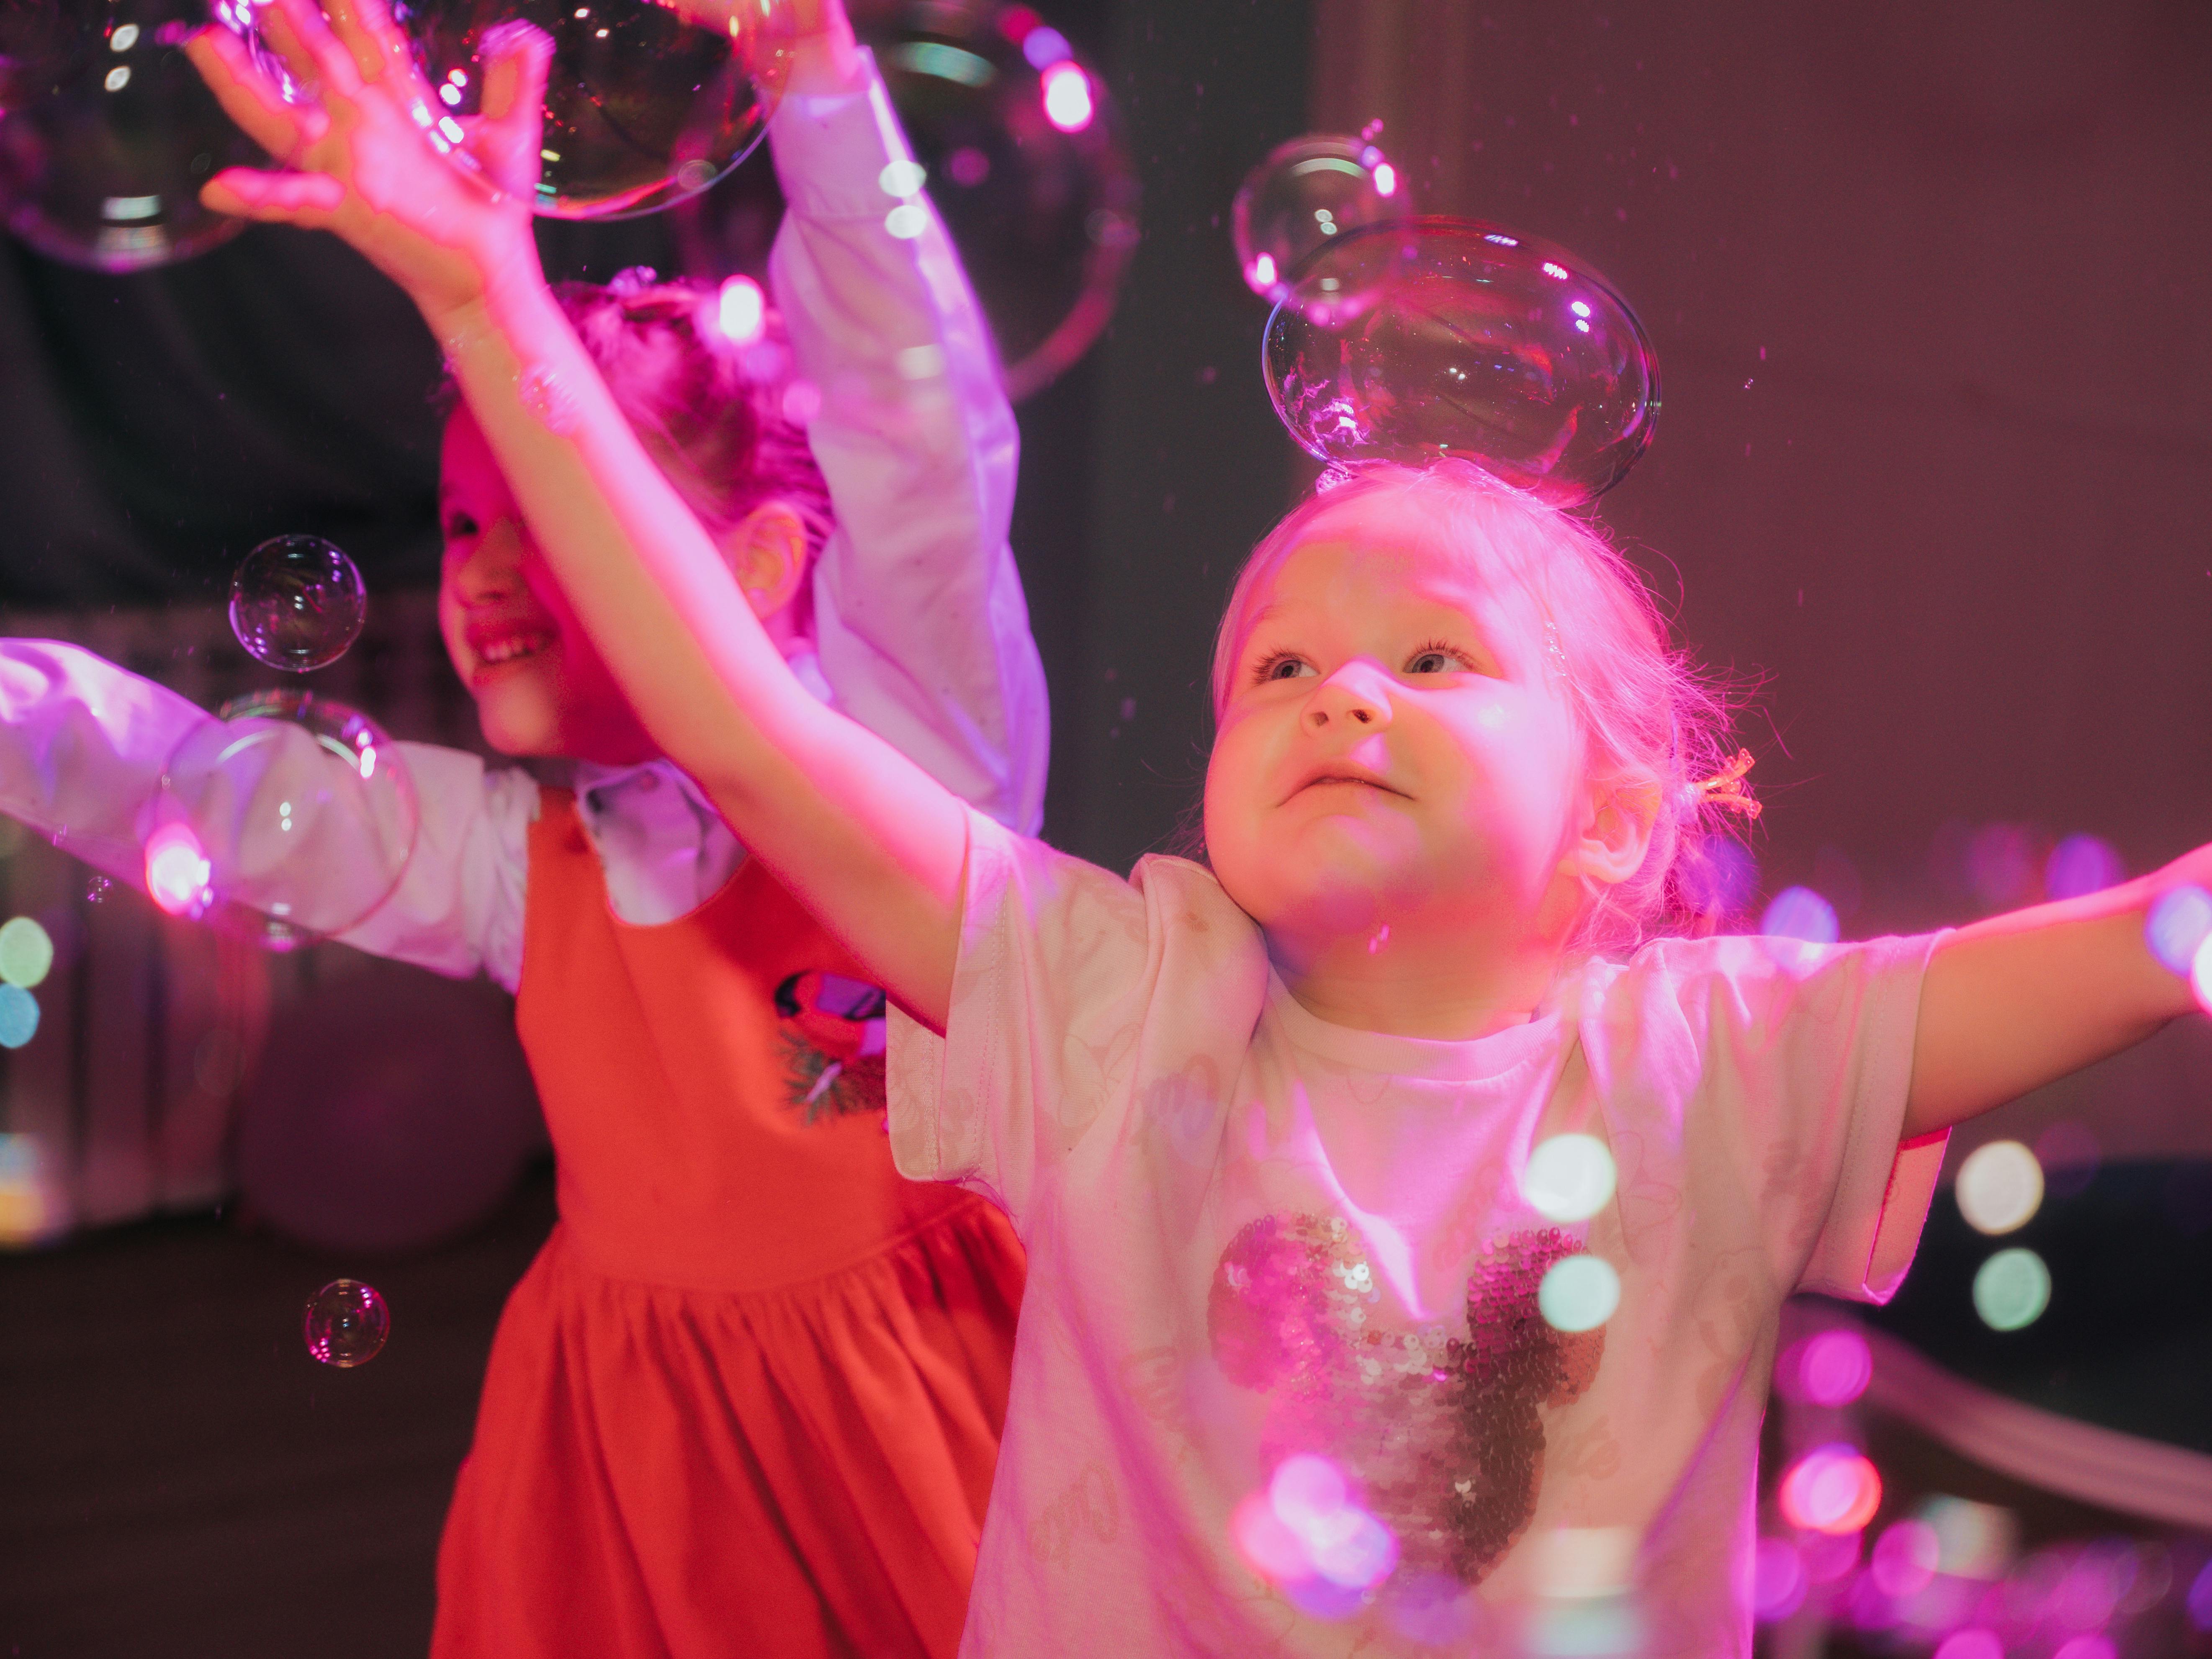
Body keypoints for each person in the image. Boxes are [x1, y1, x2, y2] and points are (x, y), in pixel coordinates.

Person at [177, 0, 2212, 1652]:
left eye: (1435, 658)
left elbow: (2148, 940)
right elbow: (739, 721)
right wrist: (490, 310)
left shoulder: (1720, 1063)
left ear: (1614, 812)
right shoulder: (1114, 1004)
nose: (1345, 688)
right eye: (1279, 667)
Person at [0, 1, 1042, 1653]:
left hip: (932, 1436)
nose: (479, 566)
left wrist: (817, 85)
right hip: (630, 1481)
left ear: (765, 569)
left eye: (555, 512)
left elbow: (919, 453)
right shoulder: (526, 859)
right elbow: (198, 791)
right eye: (466, 514)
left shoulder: (914, 761)